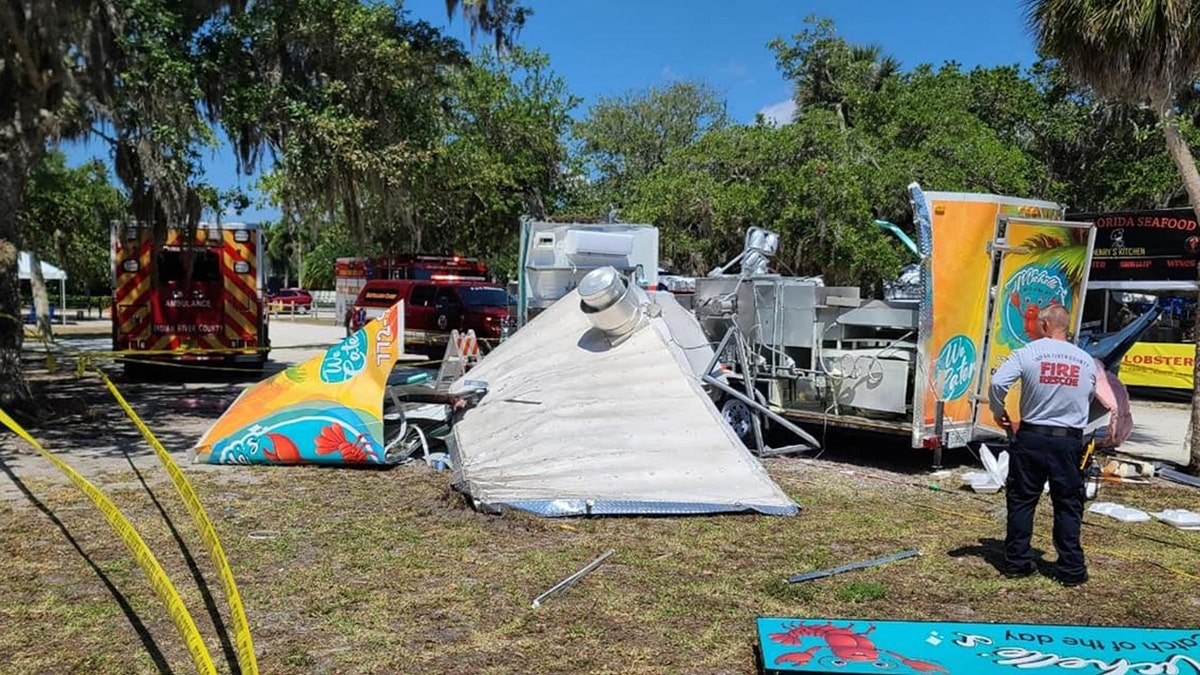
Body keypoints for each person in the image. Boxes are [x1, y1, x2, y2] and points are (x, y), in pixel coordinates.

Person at [988, 304, 1115, 587]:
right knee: (1068, 503)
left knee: (1022, 500)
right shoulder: (1085, 360)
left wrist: (999, 411)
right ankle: (1071, 568)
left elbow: (998, 382)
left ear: (1045, 325)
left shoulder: (1027, 353)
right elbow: (1099, 399)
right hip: (1068, 440)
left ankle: (1017, 562)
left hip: (1032, 436)